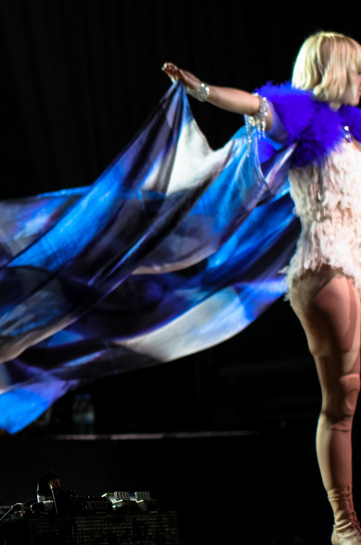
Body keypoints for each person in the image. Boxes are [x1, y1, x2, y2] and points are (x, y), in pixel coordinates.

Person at [165, 32, 361, 545]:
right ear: (335, 71)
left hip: (354, 265)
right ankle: (344, 522)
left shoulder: (353, 128)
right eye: (356, 69)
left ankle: (346, 523)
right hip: (325, 265)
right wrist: (203, 90)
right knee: (342, 397)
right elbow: (255, 106)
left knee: (347, 399)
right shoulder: (303, 117)